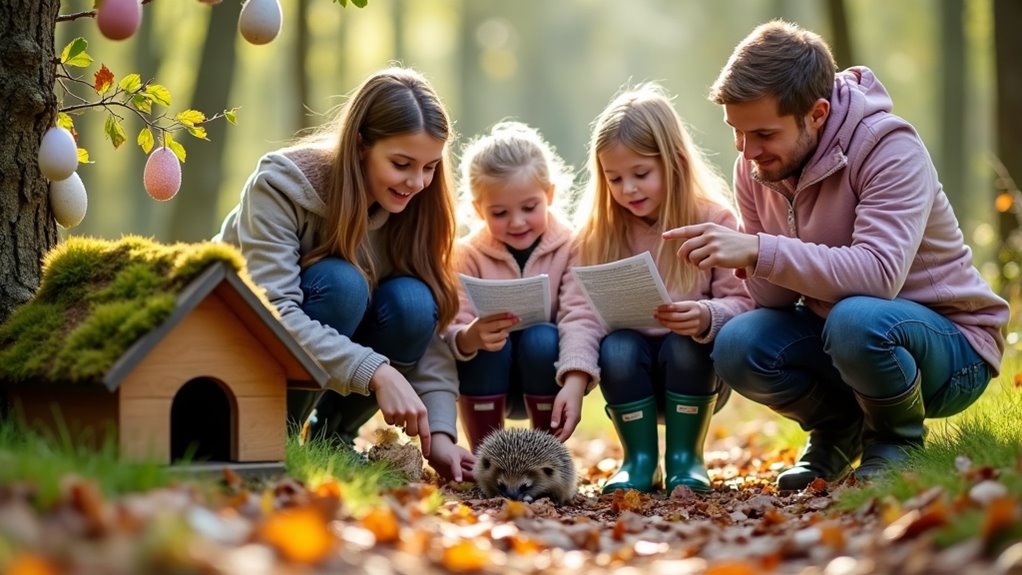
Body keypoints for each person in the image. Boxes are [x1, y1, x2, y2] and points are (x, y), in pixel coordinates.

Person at [666, 20, 1010, 490]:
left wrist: (760, 248)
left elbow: (878, 275)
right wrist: (745, 260)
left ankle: (897, 442)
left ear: (817, 113)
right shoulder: (756, 165)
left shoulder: (888, 147)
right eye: (737, 133)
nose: (747, 152)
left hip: (951, 346)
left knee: (856, 319)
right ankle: (838, 432)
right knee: (738, 342)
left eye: (764, 134)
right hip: (848, 337)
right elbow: (775, 303)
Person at [214, 66, 476, 482]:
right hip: (234, 345)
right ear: (359, 145)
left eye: (429, 167)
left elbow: (432, 331)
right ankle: (272, 434)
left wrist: (440, 435)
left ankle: (332, 438)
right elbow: (271, 312)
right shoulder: (281, 187)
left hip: (314, 346)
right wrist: (375, 371)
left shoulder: (417, 210)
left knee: (413, 301)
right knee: (342, 284)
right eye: (402, 163)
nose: (417, 182)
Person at [561, 83, 754, 494]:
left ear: (675, 163)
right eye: (614, 178)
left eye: (641, 174)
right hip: (628, 373)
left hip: (695, 374)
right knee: (619, 345)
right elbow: (580, 312)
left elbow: (744, 300)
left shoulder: (713, 220)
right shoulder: (597, 235)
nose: (628, 189)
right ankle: (640, 460)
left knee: (684, 344)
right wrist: (575, 379)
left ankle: (686, 457)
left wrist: (707, 316)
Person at [447, 121, 591, 452]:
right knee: (484, 343)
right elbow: (451, 324)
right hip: (486, 376)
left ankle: (546, 455)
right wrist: (469, 337)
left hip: (544, 370)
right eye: (499, 212)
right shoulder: (466, 255)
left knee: (543, 336)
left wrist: (575, 376)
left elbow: (578, 314)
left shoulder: (572, 246)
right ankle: (487, 457)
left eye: (529, 208)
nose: (517, 222)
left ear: (550, 195)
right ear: (478, 210)